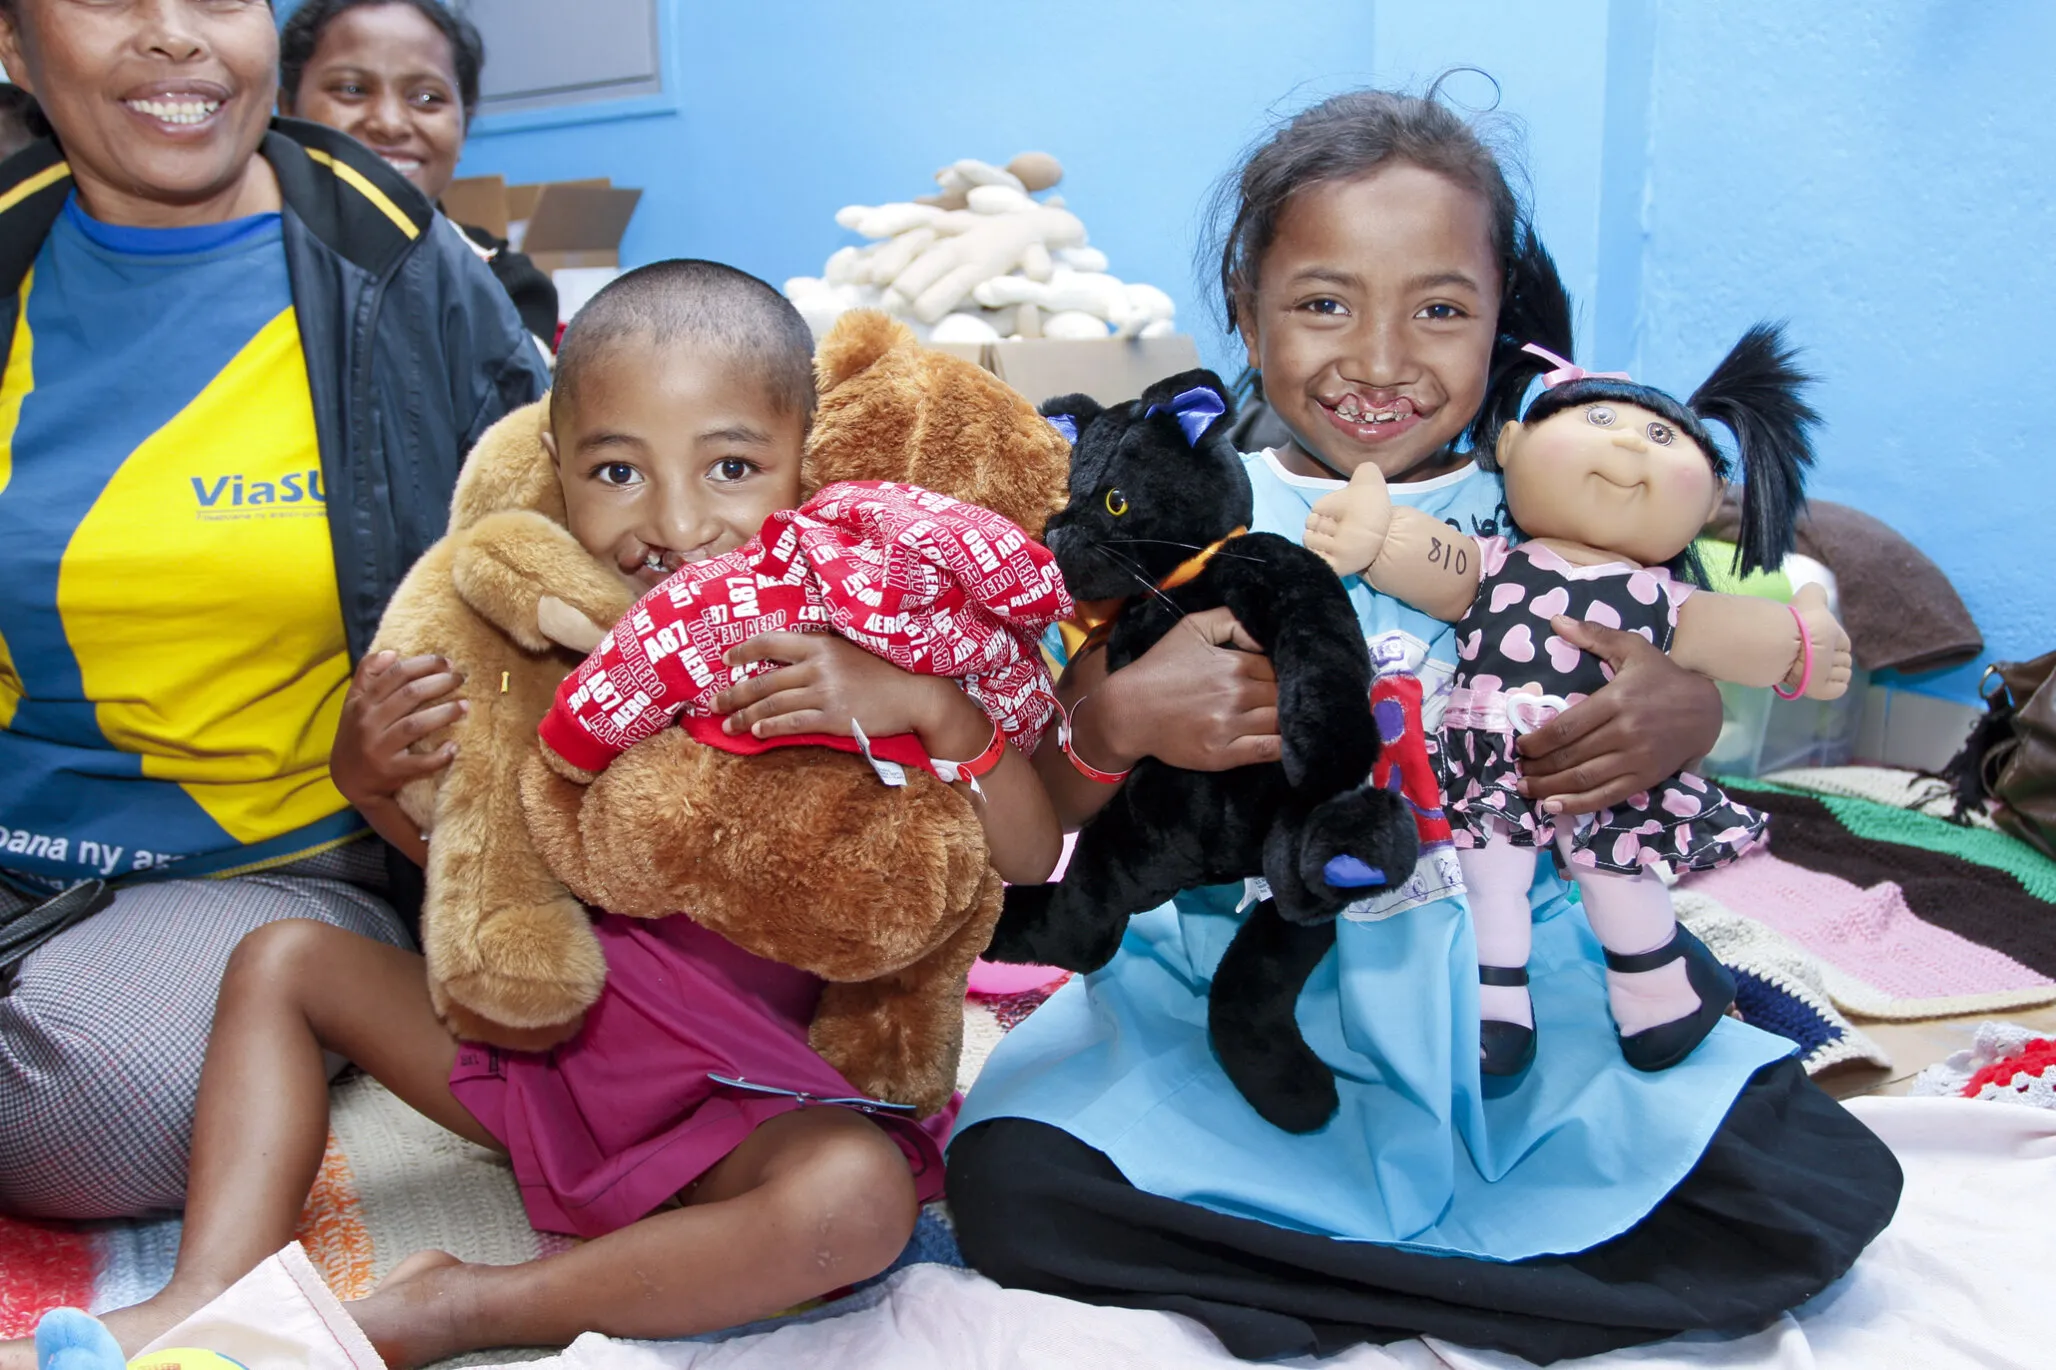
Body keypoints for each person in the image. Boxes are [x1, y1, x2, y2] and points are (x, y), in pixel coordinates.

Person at [946, 87, 1902, 1364]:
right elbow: (1047, 808)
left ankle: (1328, 1271)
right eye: (1323, 302)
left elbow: (1690, 639)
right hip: (1234, 1007)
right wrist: (1117, 718)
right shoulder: (1178, 515)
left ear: (1506, 319)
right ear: (1244, 302)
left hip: (1514, 998)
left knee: (1805, 1189)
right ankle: (1465, 1274)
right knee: (1009, 1179)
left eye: (1440, 309)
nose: (1381, 358)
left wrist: (1682, 710)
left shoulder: (1560, 501)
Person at [0, 261, 1063, 1370]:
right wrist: (366, 777)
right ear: (557, 473)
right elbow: (496, 882)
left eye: (734, 467)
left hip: (757, 1099)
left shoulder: (873, 635)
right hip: (562, 1057)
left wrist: (936, 712)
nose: (676, 522)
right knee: (281, 957)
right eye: (618, 470)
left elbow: (1032, 855)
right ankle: (207, 1287)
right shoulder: (557, 636)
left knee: (854, 1202)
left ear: (809, 460)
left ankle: (459, 1307)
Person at [0, 0, 547, 1221]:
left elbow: (566, 585)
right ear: (14, 47)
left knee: (87, 1100)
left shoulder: (413, 280)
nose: (175, 35)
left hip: (268, 862)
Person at [279, 0, 560, 343]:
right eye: (352, 90)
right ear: (287, 110)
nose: (390, 124)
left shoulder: (506, 287)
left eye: (427, 98)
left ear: (463, 126)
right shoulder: (241, 265)